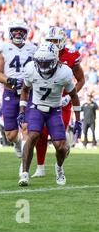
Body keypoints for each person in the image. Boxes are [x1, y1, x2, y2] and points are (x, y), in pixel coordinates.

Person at [18, 42, 82, 186]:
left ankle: (59, 168)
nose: (43, 65)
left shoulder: (64, 72)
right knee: (32, 135)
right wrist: (22, 110)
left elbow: (74, 96)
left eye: (46, 62)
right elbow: (25, 90)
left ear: (55, 60)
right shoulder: (31, 69)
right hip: (36, 108)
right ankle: (25, 173)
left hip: (54, 110)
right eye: (40, 61)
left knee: (60, 146)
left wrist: (78, 120)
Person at [32, 27, 85, 177]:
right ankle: (40, 167)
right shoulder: (42, 53)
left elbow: (81, 80)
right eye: (50, 41)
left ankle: (59, 162)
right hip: (46, 101)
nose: (53, 44)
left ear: (62, 41)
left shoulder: (71, 56)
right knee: (41, 135)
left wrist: (69, 96)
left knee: (59, 141)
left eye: (55, 41)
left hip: (62, 103)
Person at [0, 20, 37, 157]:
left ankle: (24, 167)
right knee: (10, 135)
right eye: (15, 30)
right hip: (10, 92)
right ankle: (17, 143)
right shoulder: (2, 49)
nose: (18, 33)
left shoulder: (33, 49)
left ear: (26, 33)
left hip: (28, 93)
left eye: (21, 30)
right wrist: (11, 80)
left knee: (26, 128)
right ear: (10, 32)